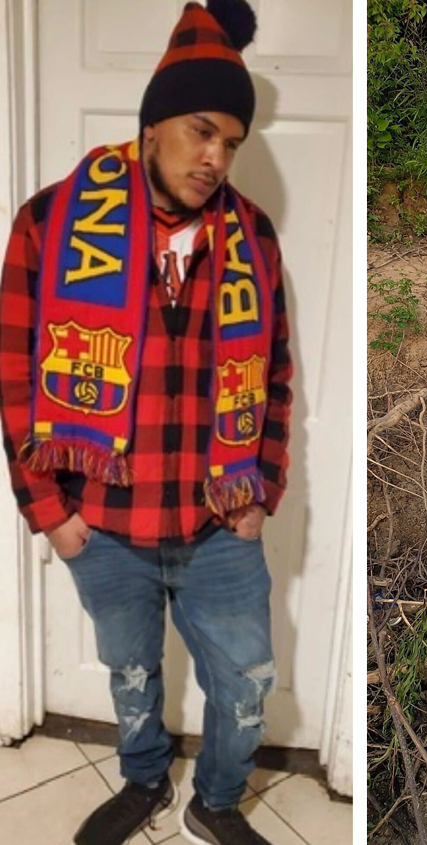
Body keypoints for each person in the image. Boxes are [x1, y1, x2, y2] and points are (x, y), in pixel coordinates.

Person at [0, 2, 292, 844]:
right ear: (153, 122)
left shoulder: (252, 238)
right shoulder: (53, 223)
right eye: (202, 130)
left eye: (232, 141)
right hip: (108, 525)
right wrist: (50, 512)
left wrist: (260, 490)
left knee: (244, 683)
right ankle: (141, 780)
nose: (216, 157)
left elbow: (274, 376)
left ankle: (215, 800)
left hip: (217, 522)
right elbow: (15, 375)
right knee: (130, 673)